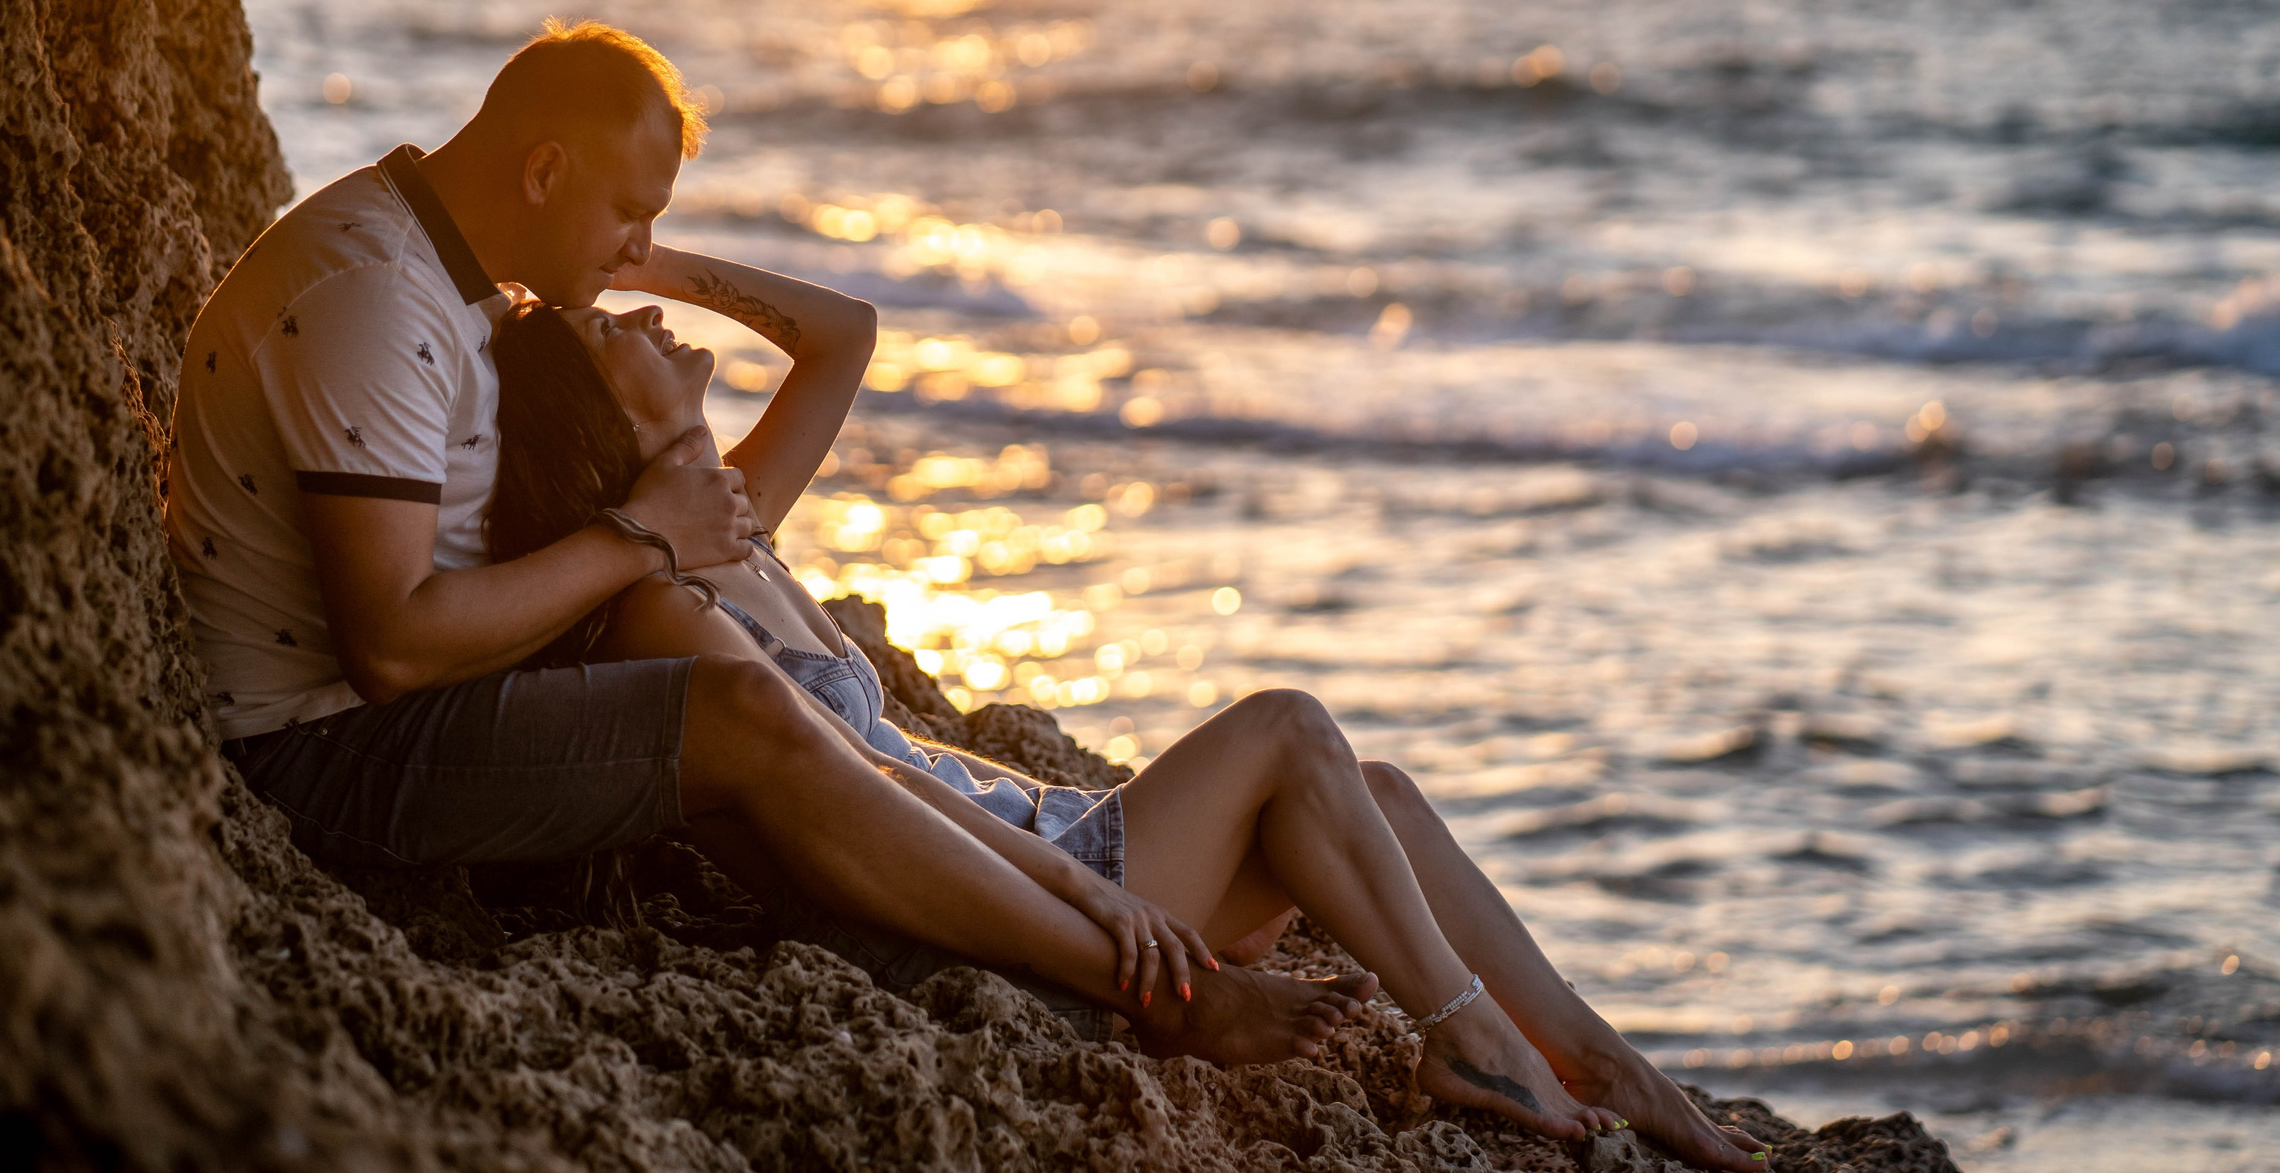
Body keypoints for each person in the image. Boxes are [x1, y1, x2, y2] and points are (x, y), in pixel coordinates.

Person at [168, 20, 1365, 1067]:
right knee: (746, 713)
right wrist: (641, 534)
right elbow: (387, 648)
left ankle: (1072, 935)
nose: (640, 255)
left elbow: (838, 336)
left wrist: (617, 263)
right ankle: (1154, 995)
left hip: (423, 686)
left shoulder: (454, 276)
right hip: (317, 754)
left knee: (776, 719)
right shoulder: (374, 295)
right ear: (543, 168)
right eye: (632, 215)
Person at [487, 250, 1776, 1172]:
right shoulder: (658, 599)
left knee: (1371, 791)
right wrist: (1099, 900)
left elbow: (847, 334)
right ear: (595, 425)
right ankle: (1467, 1038)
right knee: (1287, 728)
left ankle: (1597, 1059)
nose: (641, 318)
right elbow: (862, 791)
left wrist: (641, 254)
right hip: (1018, 900)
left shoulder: (727, 530)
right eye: (608, 334)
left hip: (1059, 846)